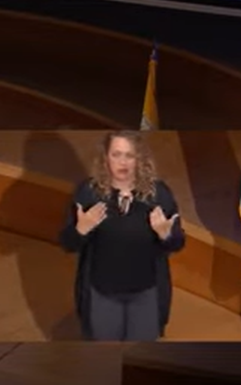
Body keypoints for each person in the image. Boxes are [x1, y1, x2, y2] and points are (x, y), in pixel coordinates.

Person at [58, 130, 185, 341]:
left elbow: (177, 243)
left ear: (139, 159)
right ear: (105, 157)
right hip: (102, 294)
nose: (122, 162)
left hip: (146, 295)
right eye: (116, 154)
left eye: (129, 155)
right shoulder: (89, 193)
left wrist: (166, 235)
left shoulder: (158, 194)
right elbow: (67, 243)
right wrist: (81, 229)